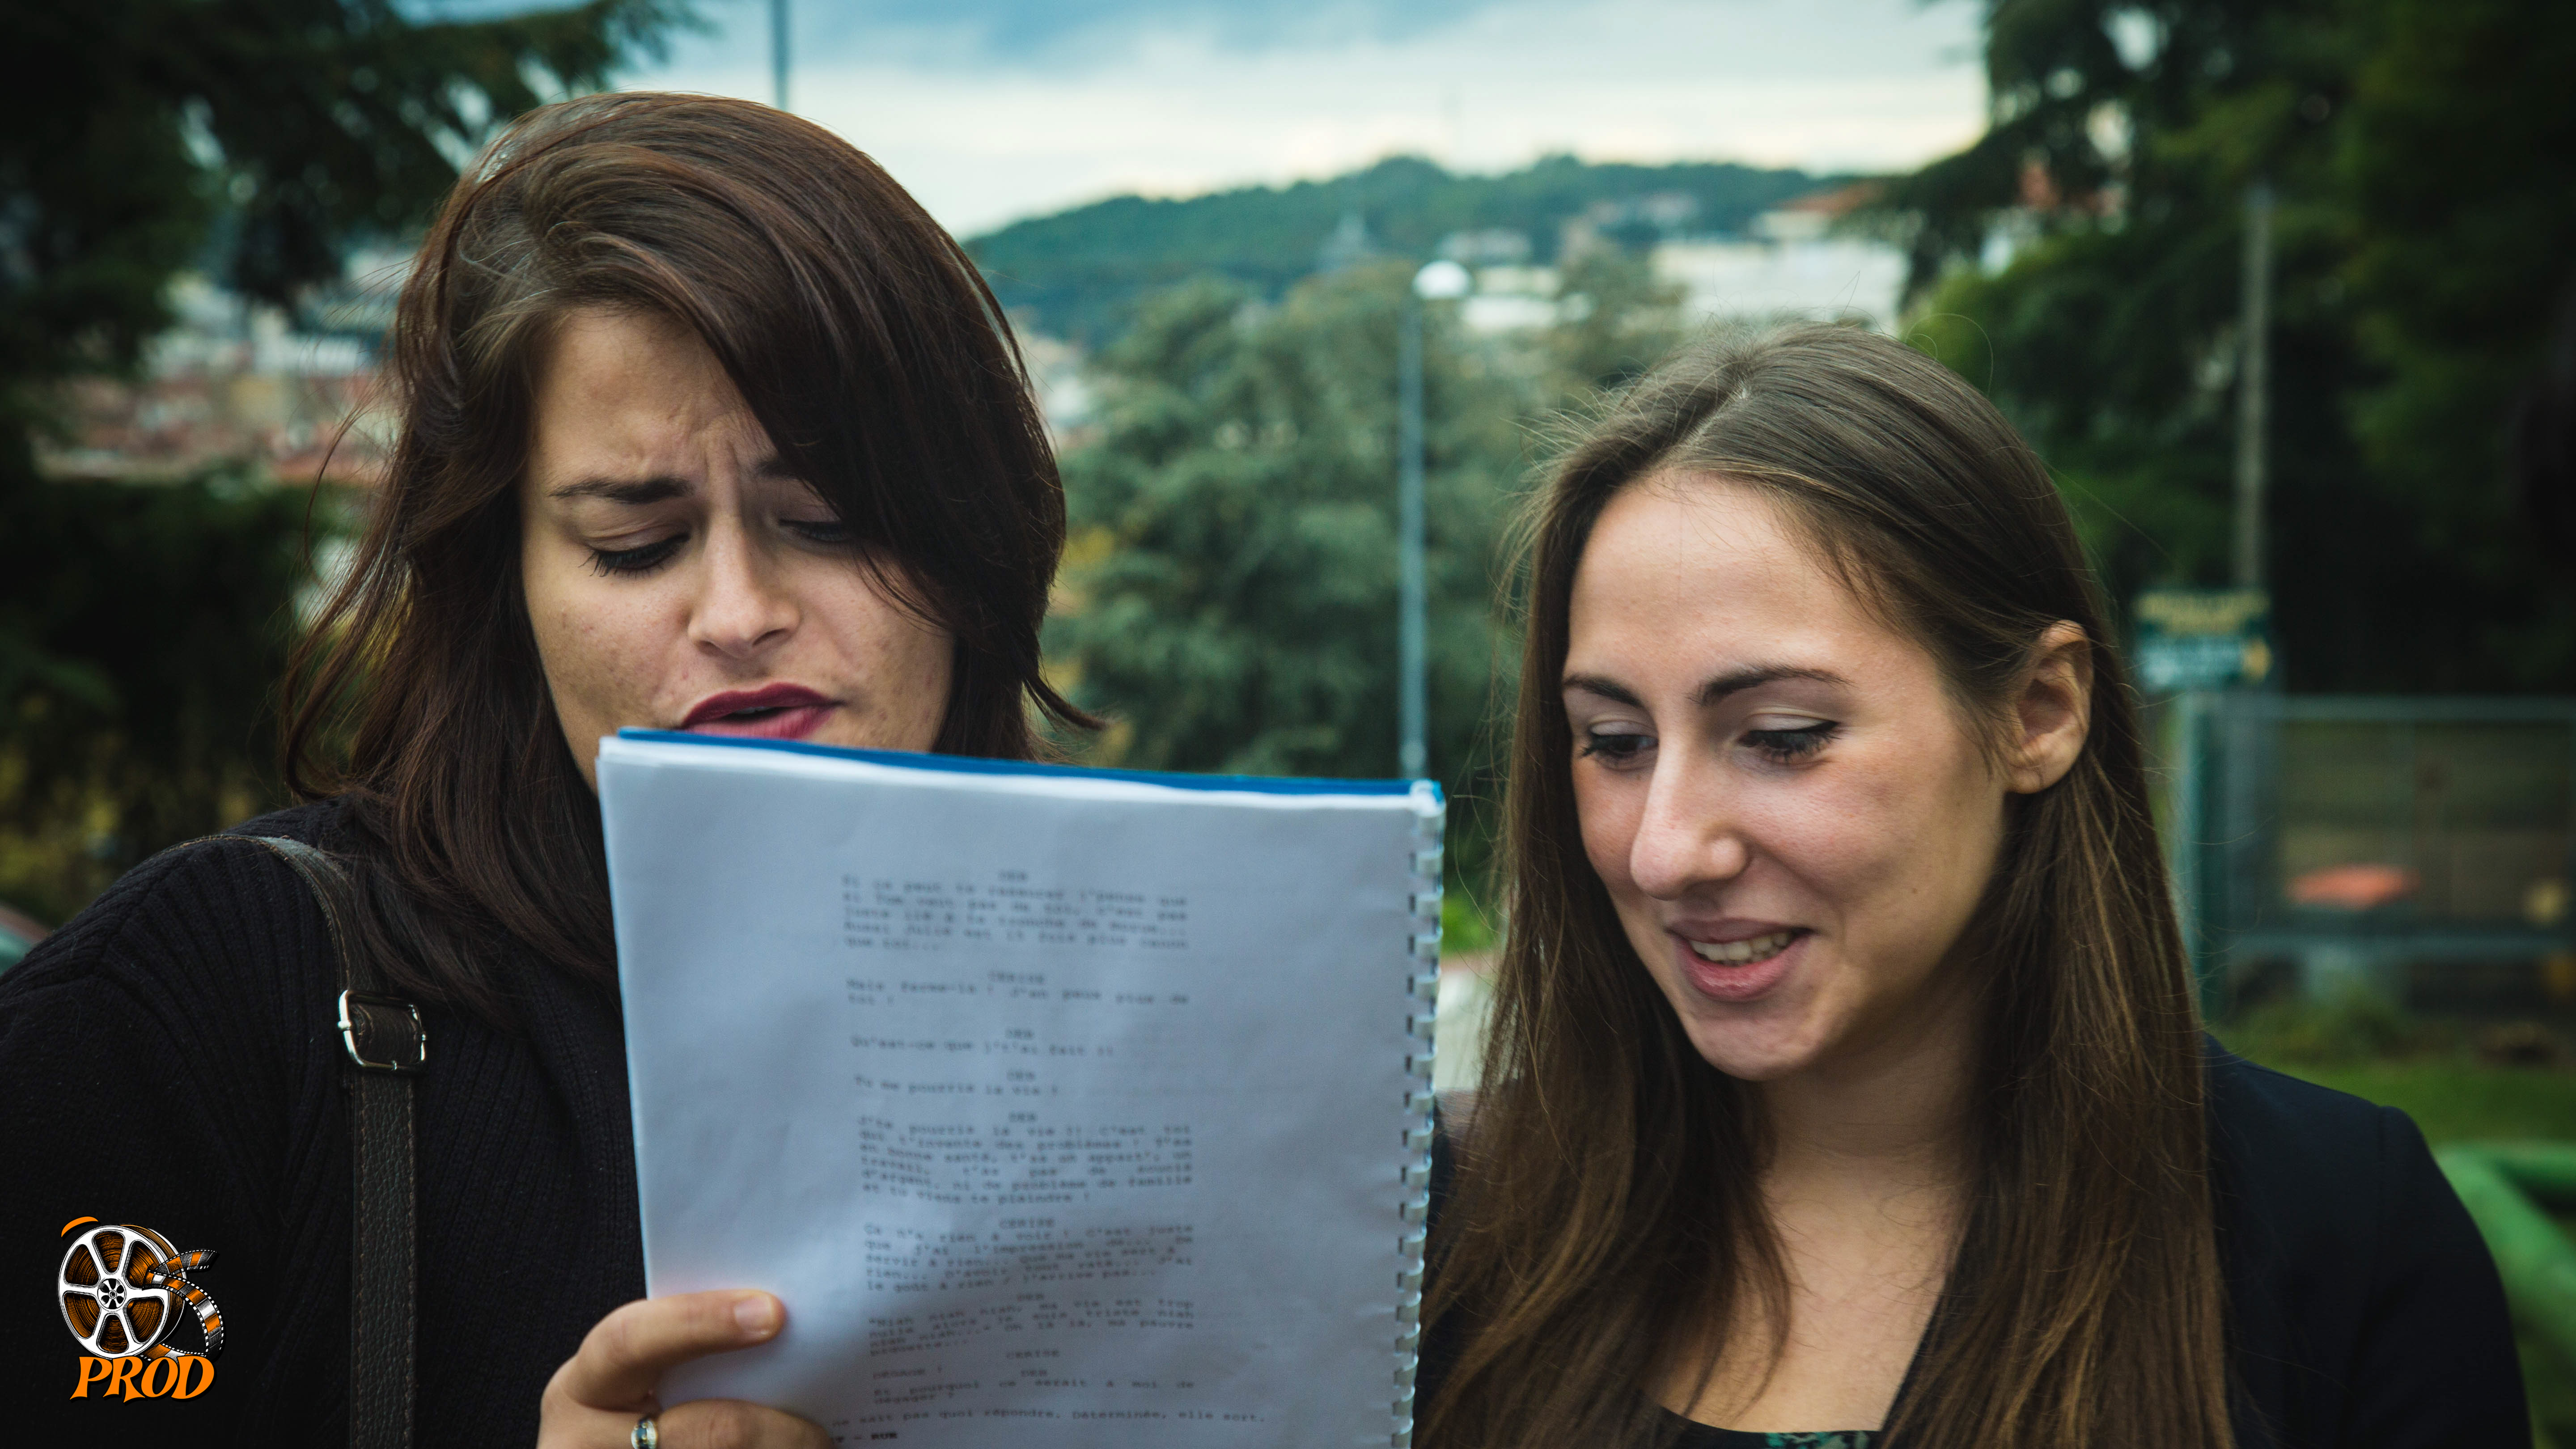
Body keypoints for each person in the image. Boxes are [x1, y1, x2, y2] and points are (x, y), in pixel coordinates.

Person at [0, 93, 1085, 1446]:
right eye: (636, 543)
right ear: (501, 575)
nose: (739, 612)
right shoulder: (195, 1015)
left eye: (829, 519)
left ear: (972, 547)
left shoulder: (1134, 1012)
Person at [1418, 323, 2523, 1449]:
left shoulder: (2342, 1231)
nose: (1664, 852)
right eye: (1614, 742)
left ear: (2039, 713)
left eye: (1783, 736)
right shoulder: (1427, 1228)